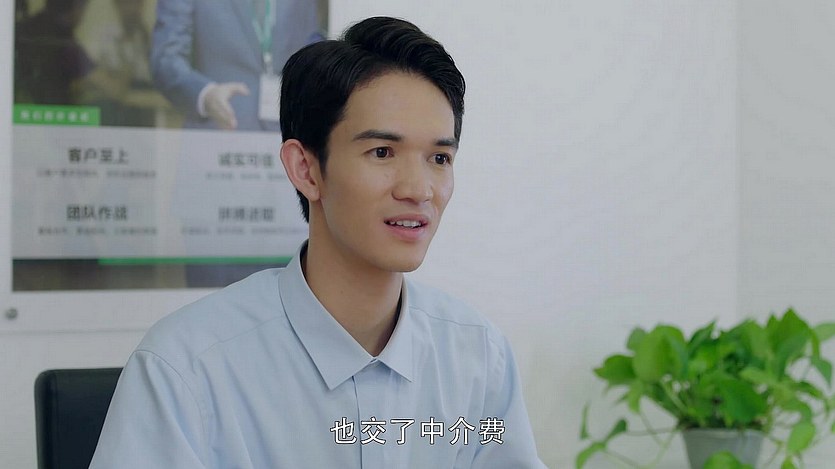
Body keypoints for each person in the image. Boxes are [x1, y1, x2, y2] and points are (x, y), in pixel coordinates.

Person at [90, 17, 546, 468]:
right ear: (306, 169)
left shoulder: (479, 356)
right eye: (382, 152)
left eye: (439, 158)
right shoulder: (186, 367)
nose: (418, 189)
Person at [150, 0, 323, 131]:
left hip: (288, 137)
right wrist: (205, 94)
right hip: (219, 134)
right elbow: (166, 59)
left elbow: (311, 46)